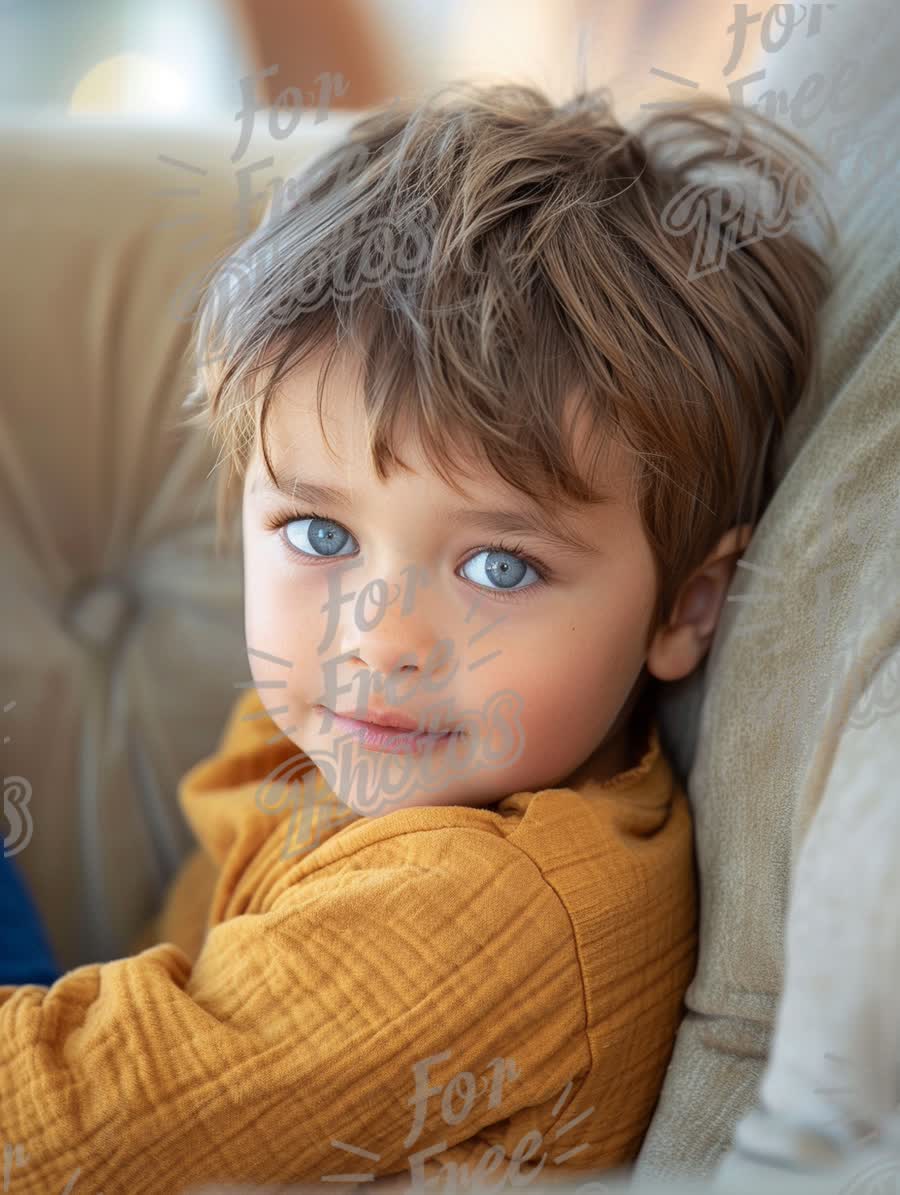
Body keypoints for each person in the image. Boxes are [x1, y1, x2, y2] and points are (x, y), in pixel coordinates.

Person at [0, 80, 830, 1193]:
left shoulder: (481, 915)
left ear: (685, 607)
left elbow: (59, 1126)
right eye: (318, 531)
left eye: (500, 565)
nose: (378, 636)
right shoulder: (371, 724)